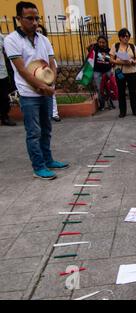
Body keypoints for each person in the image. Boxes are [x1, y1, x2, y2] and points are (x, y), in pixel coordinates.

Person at [4, 1, 69, 179]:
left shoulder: (44, 39)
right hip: (29, 94)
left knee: (47, 128)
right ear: (19, 19)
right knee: (34, 132)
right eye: (29, 18)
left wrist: (52, 81)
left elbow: (52, 62)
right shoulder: (11, 40)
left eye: (37, 18)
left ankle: (48, 160)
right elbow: (22, 70)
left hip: (46, 89)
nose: (34, 22)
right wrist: (41, 87)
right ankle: (38, 166)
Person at [110, 28, 136, 118]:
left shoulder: (132, 46)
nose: (125, 38)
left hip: (131, 71)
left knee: (133, 92)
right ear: (120, 37)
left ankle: (135, 111)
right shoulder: (115, 46)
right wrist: (122, 62)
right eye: (123, 36)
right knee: (121, 92)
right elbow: (111, 59)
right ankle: (122, 112)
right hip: (120, 72)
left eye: (127, 36)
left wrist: (132, 62)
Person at [36, 24, 60, 122]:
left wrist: (52, 75)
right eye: (37, 31)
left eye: (41, 31)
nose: (39, 33)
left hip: (48, 72)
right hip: (36, 73)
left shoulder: (46, 43)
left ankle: (54, 113)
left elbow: (52, 60)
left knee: (51, 94)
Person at [91, 35, 114, 111]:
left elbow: (113, 59)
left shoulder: (109, 50)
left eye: (103, 42)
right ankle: (102, 104)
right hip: (97, 72)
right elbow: (87, 49)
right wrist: (93, 43)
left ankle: (110, 103)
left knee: (109, 88)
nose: (101, 44)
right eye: (99, 42)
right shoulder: (95, 49)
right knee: (99, 88)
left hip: (107, 71)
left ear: (106, 43)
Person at [0, 32, 16, 126]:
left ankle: (4, 117)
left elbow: (8, 52)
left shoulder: (2, 38)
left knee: (4, 97)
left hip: (2, 73)